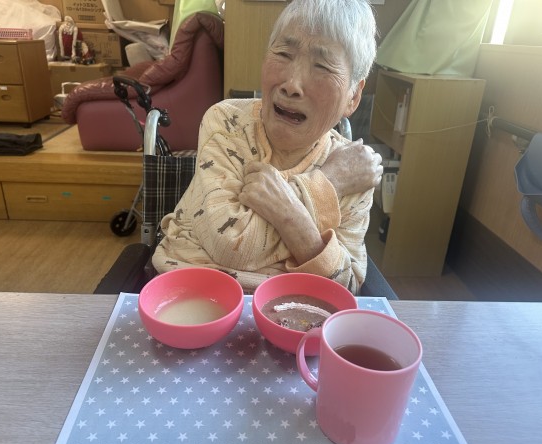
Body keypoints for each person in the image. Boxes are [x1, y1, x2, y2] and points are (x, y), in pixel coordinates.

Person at [153, 0, 383, 294]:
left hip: (294, 310)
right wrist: (330, 182)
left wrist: (286, 208)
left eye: (323, 66)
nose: (291, 84)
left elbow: (345, 286)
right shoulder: (226, 123)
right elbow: (230, 245)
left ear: (353, 97)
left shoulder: (356, 168)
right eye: (284, 54)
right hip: (188, 294)